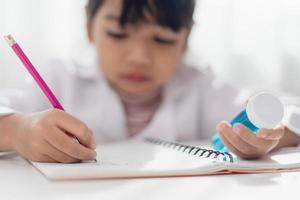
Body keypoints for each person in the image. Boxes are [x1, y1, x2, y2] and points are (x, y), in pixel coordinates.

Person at [0, 0, 299, 163]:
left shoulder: (201, 87)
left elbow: (287, 112)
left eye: (163, 39)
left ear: (185, 40)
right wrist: (17, 130)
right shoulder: (59, 79)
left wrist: (276, 134)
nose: (140, 56)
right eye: (118, 34)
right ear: (90, 28)